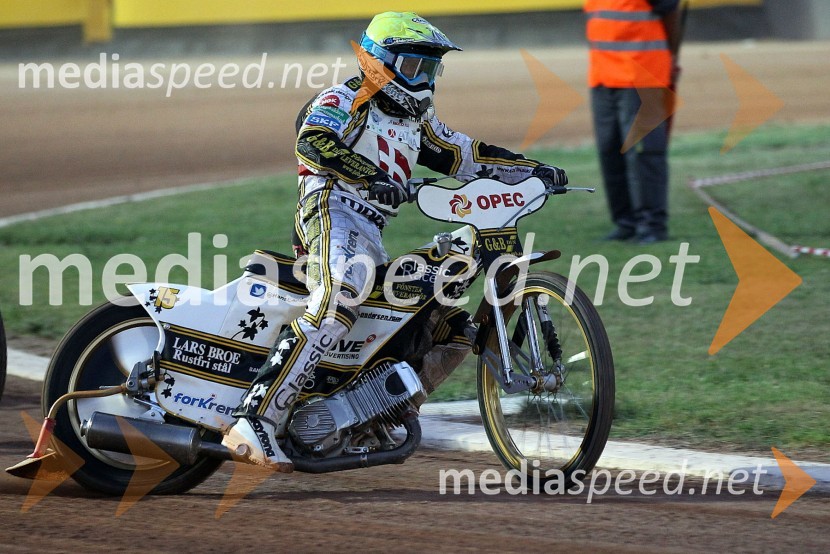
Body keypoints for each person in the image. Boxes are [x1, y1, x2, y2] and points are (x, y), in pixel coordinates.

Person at [221, 11, 568, 471]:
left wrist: (531, 170)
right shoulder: (344, 97)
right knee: (341, 297)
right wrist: (370, 176)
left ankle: (378, 411)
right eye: (413, 67)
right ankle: (256, 418)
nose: (423, 79)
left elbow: (466, 155)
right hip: (331, 212)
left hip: (369, 233)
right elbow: (313, 140)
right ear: (379, 62)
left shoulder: (417, 119)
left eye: (431, 69)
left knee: (450, 329)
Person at [586, 0, 681, 243]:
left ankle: (651, 225)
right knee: (610, 152)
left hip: (642, 75)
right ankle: (625, 222)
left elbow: (670, 12)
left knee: (643, 153)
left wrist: (671, 58)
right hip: (603, 77)